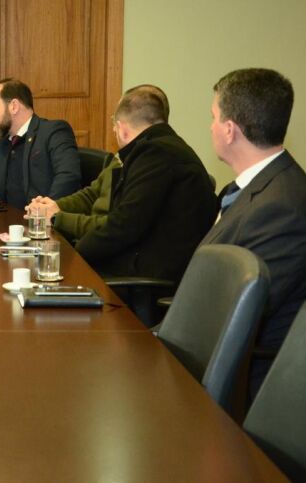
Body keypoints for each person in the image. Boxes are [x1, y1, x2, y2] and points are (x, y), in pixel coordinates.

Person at [200, 68, 306, 399]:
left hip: (245, 387)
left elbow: (233, 314)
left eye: (214, 117)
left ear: (230, 130)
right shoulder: (252, 188)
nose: (211, 127)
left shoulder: (282, 206)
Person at [74, 85, 217, 282]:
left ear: (122, 129)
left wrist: (77, 254)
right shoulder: (169, 147)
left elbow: (124, 224)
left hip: (148, 278)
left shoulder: (155, 153)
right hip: (154, 266)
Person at [26, 85, 169, 242]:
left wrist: (57, 217)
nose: (113, 129)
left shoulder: (152, 163)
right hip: (92, 240)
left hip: (105, 249)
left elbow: (116, 226)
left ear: (121, 128)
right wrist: (52, 206)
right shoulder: (122, 158)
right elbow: (93, 194)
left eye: (114, 121)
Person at [0, 78, 81, 210]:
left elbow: (68, 177)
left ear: (14, 106)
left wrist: (44, 209)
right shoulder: (1, 146)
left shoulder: (53, 132)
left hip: (43, 225)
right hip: (7, 226)